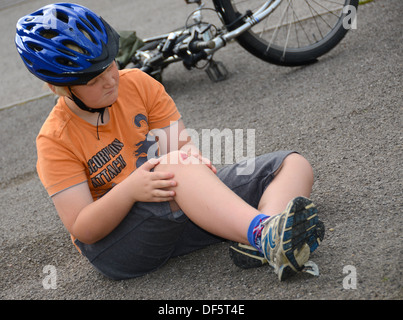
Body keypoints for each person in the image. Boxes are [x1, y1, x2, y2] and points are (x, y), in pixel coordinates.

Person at [15, 3, 324, 281]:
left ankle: (263, 238)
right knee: (177, 165)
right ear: (59, 87)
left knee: (292, 165)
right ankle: (263, 233)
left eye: (110, 65)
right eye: (93, 80)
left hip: (177, 208)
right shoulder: (54, 140)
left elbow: (180, 151)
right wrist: (132, 189)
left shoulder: (137, 84)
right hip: (118, 246)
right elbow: (84, 228)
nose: (110, 80)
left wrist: (193, 161)